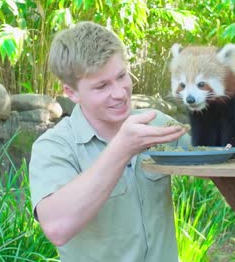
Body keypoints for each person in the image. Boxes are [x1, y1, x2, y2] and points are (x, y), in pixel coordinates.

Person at [29, 21, 190, 262]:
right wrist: (122, 149)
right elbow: (57, 228)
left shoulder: (157, 124)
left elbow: (217, 156)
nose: (120, 92)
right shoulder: (54, 147)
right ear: (71, 92)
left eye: (121, 76)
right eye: (102, 86)